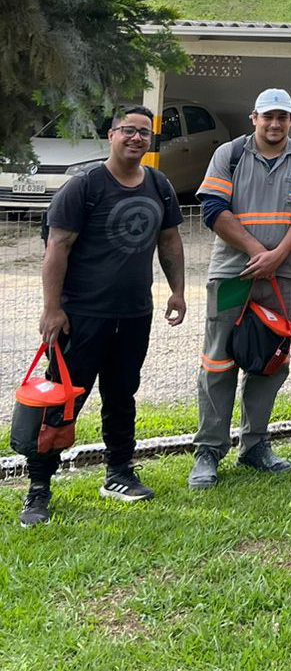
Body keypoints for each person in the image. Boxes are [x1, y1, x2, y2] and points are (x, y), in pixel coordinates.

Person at [19, 106, 186, 528]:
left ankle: (118, 473)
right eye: (128, 130)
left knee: (121, 395)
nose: (136, 138)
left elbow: (169, 241)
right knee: (62, 399)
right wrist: (52, 308)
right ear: (110, 135)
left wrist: (178, 291)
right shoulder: (85, 187)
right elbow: (57, 247)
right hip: (81, 315)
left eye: (144, 133)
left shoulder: (160, 185)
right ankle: (39, 489)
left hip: (133, 315)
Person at [188, 88, 291, 490]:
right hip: (234, 276)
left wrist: (277, 256)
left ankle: (255, 445)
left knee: (270, 357)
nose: (275, 124)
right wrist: (256, 252)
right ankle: (208, 451)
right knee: (219, 360)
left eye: (282, 117)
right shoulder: (229, 155)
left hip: (281, 279)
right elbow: (213, 210)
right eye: (268, 116)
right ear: (254, 118)